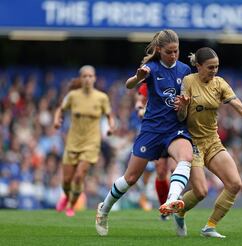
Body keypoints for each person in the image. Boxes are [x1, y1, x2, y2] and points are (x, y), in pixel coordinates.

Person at [95, 29, 193, 236]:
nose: (174, 55)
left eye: (176, 51)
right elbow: (129, 84)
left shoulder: (185, 71)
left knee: (185, 157)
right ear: (159, 50)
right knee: (130, 178)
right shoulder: (152, 67)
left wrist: (184, 104)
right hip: (152, 130)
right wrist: (138, 77)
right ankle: (103, 210)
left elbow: (185, 108)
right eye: (169, 52)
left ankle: (172, 202)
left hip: (175, 128)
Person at [173, 47, 242, 238]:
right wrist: (182, 107)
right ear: (198, 66)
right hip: (192, 142)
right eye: (210, 67)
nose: (214, 70)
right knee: (200, 192)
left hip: (213, 141)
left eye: (216, 67)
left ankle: (210, 227)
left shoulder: (220, 84)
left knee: (235, 184)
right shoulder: (188, 81)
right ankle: (179, 212)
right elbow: (181, 116)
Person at [54, 66, 115, 217]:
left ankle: (71, 206)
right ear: (81, 79)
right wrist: (57, 120)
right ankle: (67, 197)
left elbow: (109, 116)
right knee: (67, 179)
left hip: (91, 143)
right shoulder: (73, 96)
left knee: (79, 175)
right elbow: (60, 110)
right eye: (85, 76)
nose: (88, 79)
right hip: (73, 142)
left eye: (90, 76)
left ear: (94, 78)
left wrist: (111, 128)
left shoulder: (101, 97)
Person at [135, 83, 177, 220]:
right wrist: (140, 109)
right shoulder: (147, 84)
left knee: (174, 169)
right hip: (157, 132)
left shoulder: (173, 77)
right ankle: (165, 208)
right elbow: (139, 101)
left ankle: (175, 199)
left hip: (173, 130)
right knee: (160, 172)